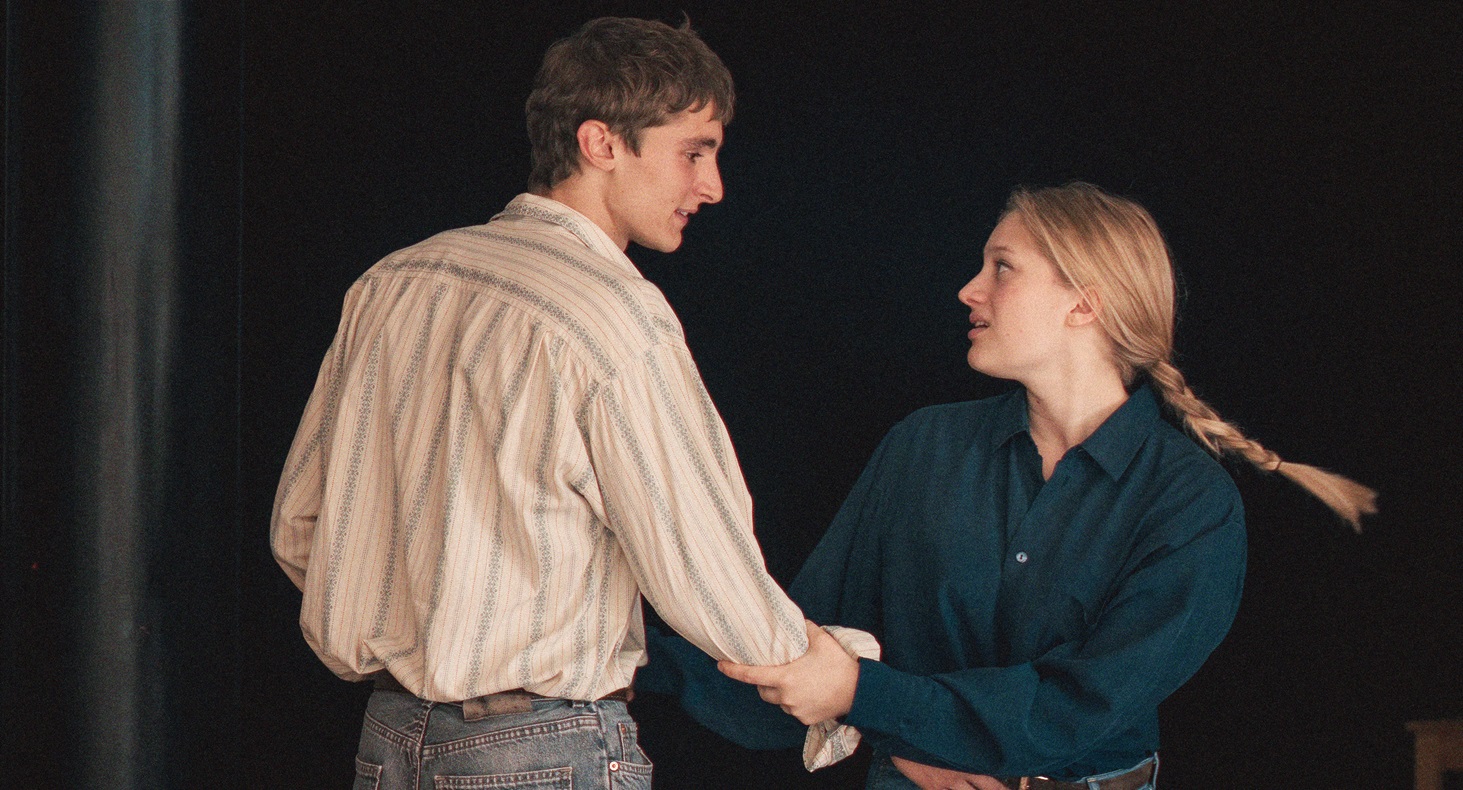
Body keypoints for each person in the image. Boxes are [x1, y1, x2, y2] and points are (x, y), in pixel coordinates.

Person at [270, 17, 852, 788]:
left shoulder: (393, 284)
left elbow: (300, 526)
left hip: (388, 739)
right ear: (601, 143)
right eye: (693, 152)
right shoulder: (613, 315)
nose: (711, 186)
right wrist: (826, 672)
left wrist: (419, 637)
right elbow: (698, 558)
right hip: (541, 749)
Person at [648, 182, 1376, 789]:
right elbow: (801, 639)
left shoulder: (1188, 503)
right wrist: (630, 648)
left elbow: (1079, 706)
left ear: (1084, 303)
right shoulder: (923, 447)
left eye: (1002, 267)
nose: (969, 289)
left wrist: (865, 697)